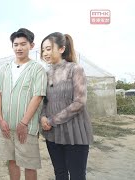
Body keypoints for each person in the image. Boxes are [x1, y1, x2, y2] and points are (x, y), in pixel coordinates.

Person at [0, 28, 47, 180]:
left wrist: (24, 122)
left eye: (23, 44)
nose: (19, 48)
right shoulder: (4, 68)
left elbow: (38, 96)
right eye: (16, 45)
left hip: (27, 127)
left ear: (31, 45)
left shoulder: (37, 69)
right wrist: (1, 120)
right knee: (12, 160)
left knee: (29, 164)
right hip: (6, 126)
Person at [40, 32, 93, 180]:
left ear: (62, 49)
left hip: (74, 134)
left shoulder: (75, 69)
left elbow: (79, 102)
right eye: (43, 49)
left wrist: (51, 121)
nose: (45, 53)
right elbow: (45, 100)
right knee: (60, 174)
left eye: (49, 49)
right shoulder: (46, 73)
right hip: (53, 135)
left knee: (77, 175)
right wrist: (43, 116)